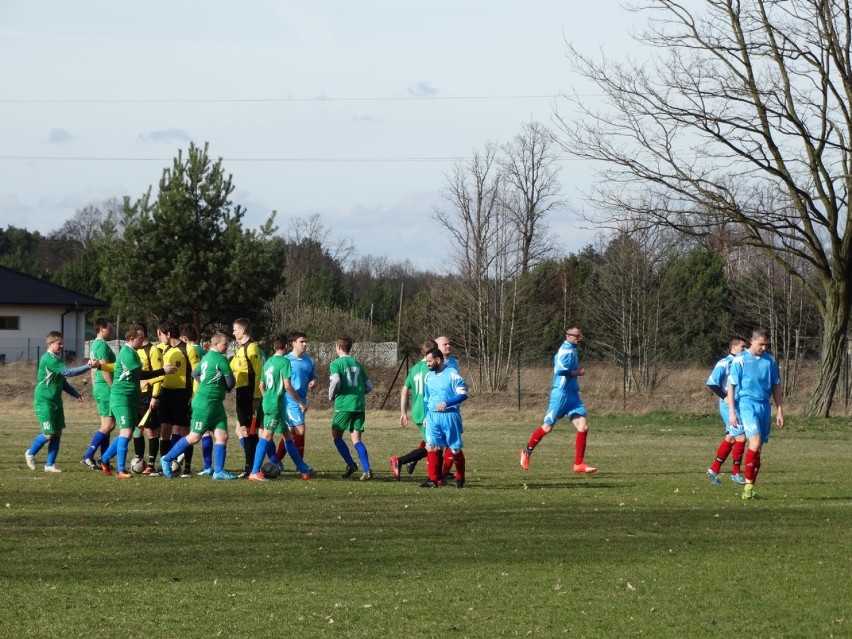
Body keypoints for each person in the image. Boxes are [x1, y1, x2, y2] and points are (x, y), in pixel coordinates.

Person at [520, 327, 598, 475]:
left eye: (580, 335)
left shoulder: (573, 349)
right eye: (577, 336)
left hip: (572, 395)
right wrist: (578, 373)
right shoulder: (565, 350)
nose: (579, 338)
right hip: (561, 394)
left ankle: (578, 464)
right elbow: (559, 371)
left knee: (583, 427)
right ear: (568, 336)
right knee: (547, 427)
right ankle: (526, 451)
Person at [160, 332, 239, 480]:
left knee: (222, 436)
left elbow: (195, 373)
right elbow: (231, 382)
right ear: (216, 344)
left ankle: (218, 471)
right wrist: (222, 387)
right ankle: (166, 459)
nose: (227, 346)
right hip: (205, 403)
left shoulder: (207, 357)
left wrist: (206, 382)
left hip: (216, 403)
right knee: (194, 437)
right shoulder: (221, 360)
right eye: (225, 344)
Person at [99, 325, 173, 477]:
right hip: (121, 398)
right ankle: (121, 470)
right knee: (126, 431)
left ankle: (105, 459)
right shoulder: (127, 353)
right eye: (141, 338)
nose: (143, 340)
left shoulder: (134, 352)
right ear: (132, 339)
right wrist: (163, 371)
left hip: (132, 398)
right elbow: (141, 375)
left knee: (129, 432)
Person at [26, 332, 99, 473]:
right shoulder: (49, 359)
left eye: (62, 343)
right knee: (49, 434)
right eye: (58, 343)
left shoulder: (56, 359)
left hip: (55, 402)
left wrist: (75, 394)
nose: (62, 345)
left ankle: (49, 465)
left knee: (57, 432)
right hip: (44, 401)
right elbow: (68, 373)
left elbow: (62, 382)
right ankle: (30, 453)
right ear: (50, 344)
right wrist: (88, 366)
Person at [726, 328, 784, 500]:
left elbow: (776, 386)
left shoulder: (770, 361)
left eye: (766, 344)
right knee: (755, 441)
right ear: (752, 340)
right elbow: (732, 385)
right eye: (761, 344)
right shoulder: (740, 360)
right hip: (746, 404)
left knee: (758, 448)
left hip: (764, 406)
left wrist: (780, 411)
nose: (764, 348)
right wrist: (732, 413)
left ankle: (750, 487)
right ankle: (746, 485)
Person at [250, 335, 315, 481]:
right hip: (275, 405)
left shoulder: (268, 362)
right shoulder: (285, 362)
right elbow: (287, 386)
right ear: (286, 347)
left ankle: (303, 470)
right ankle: (254, 471)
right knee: (267, 436)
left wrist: (267, 398)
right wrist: (299, 402)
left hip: (268, 402)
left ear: (274, 347)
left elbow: (261, 386)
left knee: (288, 437)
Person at [420, 347, 469, 488]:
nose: (427, 364)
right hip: (433, 417)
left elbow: (463, 394)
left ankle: (460, 478)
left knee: (455, 449)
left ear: (438, 360)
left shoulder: (452, 374)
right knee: (431, 446)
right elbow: (426, 399)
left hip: (450, 416)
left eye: (429, 361)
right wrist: (425, 416)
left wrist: (447, 403)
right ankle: (434, 480)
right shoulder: (428, 376)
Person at [157, 320, 199, 477]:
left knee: (181, 430)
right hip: (165, 393)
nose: (160, 337)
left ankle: (184, 466)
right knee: (165, 429)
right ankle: (165, 463)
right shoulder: (163, 349)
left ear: (168, 334)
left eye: (161, 334)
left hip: (182, 395)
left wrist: (194, 395)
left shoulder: (188, 349)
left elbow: (197, 374)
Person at [329, 335, 374, 480]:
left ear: (339, 347)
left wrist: (331, 395)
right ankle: (366, 470)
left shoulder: (336, 363)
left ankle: (351, 464)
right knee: (356, 440)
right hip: (359, 405)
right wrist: (359, 393)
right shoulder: (358, 364)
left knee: (336, 437)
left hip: (343, 404)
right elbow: (369, 386)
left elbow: (335, 381)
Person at [390, 339, 436, 480]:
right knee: (432, 446)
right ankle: (401, 461)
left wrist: (403, 412)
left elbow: (404, 390)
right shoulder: (431, 367)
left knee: (433, 443)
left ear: (422, 352)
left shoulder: (415, 368)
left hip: (417, 411)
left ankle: (429, 469)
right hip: (427, 411)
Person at [705, 337, 748, 485]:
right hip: (729, 406)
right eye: (743, 346)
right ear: (734, 347)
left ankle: (714, 469)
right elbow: (711, 382)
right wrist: (724, 397)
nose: (745, 349)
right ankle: (736, 473)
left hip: (739, 405)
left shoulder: (743, 362)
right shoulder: (725, 363)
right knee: (741, 438)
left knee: (731, 438)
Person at [276, 331, 317, 466]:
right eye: (302, 342)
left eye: (306, 342)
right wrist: (298, 402)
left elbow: (313, 376)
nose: (305, 344)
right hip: (289, 400)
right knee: (300, 429)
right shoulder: (286, 360)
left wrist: (313, 381)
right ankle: (301, 465)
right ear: (293, 344)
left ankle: (275, 461)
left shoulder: (308, 360)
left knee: (291, 433)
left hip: (302, 400)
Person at [81, 318, 116, 469]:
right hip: (106, 388)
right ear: (101, 328)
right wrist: (113, 387)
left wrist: (95, 386)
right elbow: (104, 368)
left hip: (99, 387)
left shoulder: (94, 344)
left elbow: (92, 368)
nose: (112, 330)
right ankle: (88, 455)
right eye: (110, 328)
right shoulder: (101, 345)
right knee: (109, 425)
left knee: (106, 425)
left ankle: (104, 460)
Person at [231, 318, 263, 478]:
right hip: (240, 393)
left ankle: (253, 467)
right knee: (244, 430)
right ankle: (250, 466)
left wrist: (256, 396)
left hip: (250, 395)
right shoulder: (239, 349)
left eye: (235, 329)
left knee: (252, 431)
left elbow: (259, 373)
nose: (233, 332)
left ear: (243, 331)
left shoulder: (251, 348)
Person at [132, 324, 164, 475]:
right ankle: (139, 460)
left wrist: (155, 396)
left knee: (151, 430)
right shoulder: (132, 351)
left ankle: (151, 463)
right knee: (137, 429)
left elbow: (159, 375)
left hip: (148, 396)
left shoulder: (153, 350)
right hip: (136, 395)